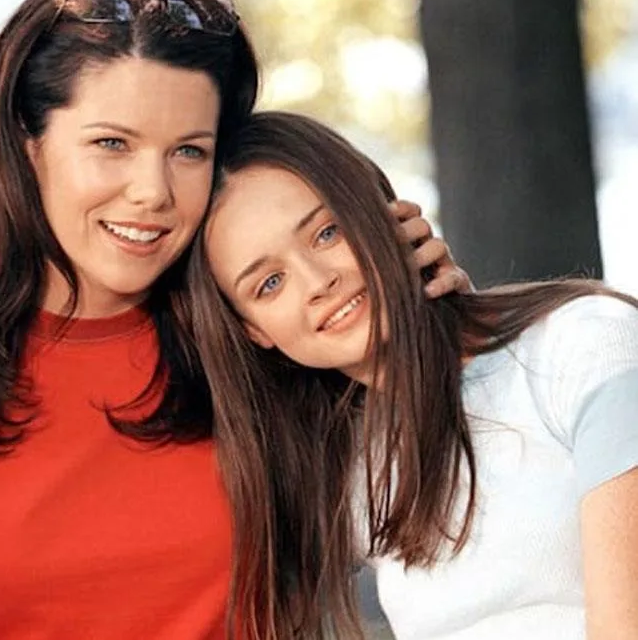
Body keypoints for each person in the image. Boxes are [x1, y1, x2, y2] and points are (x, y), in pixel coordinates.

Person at [0, 0, 467, 638]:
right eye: (112, 144)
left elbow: (484, 486)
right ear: (28, 143)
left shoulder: (259, 330)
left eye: (188, 151)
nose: (153, 192)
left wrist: (425, 318)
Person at [187, 110, 638, 640]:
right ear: (254, 331)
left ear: (389, 213)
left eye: (327, 232)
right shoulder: (347, 467)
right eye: (269, 283)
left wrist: (447, 326)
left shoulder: (584, 343)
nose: (317, 281)